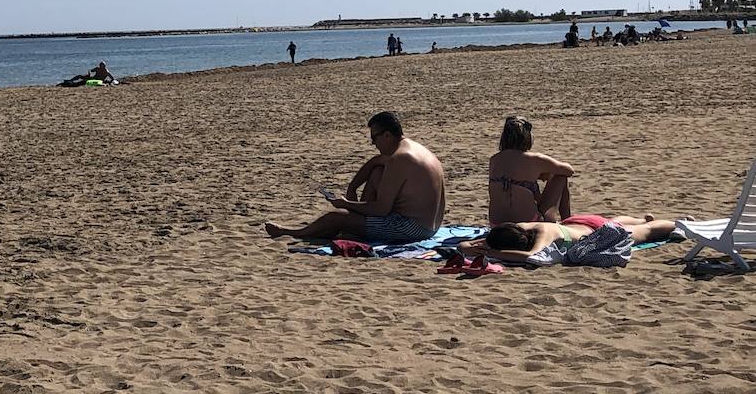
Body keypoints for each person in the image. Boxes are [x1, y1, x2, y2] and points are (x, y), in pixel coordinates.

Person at [264, 111, 446, 244]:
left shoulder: (399, 159)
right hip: (432, 225)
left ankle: (293, 232)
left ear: (387, 135)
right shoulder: (411, 148)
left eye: (374, 138)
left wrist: (346, 204)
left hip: (413, 229)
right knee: (376, 174)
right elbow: (374, 162)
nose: (373, 143)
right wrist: (352, 187)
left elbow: (382, 209)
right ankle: (357, 223)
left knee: (334, 217)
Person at [460, 214, 679, 263]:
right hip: (580, 223)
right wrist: (470, 247)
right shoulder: (520, 227)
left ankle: (681, 223)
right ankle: (640, 218)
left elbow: (530, 255)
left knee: (648, 232)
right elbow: (463, 246)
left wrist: (492, 253)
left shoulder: (543, 235)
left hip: (597, 231)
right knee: (621, 221)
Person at [488, 116, 574, 224]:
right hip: (531, 224)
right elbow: (569, 170)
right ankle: (568, 222)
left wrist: (535, 175)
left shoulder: (494, 160)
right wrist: (543, 173)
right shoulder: (534, 159)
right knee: (560, 176)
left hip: (496, 224)